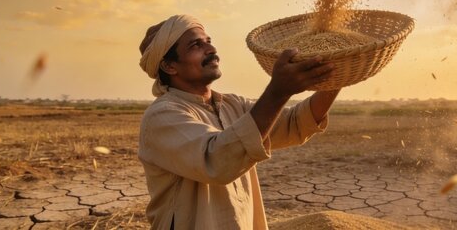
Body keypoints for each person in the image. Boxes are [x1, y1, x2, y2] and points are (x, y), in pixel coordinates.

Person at [138, 14, 340, 229]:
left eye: (208, 41)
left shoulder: (233, 105)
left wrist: (337, 74)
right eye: (196, 45)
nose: (211, 50)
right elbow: (217, 160)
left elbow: (293, 123)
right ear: (169, 66)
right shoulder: (163, 115)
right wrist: (278, 92)